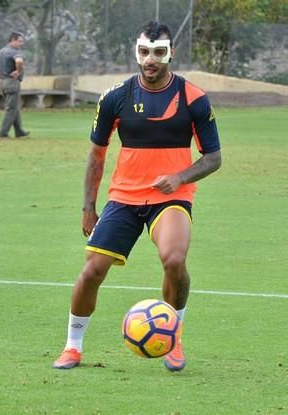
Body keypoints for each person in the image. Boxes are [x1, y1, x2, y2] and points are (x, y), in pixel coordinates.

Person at [53, 21, 221, 372]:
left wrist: (179, 177)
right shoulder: (115, 97)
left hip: (172, 198)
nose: (151, 60)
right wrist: (88, 206)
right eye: (144, 52)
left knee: (174, 261)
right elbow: (96, 155)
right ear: (136, 52)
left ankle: (172, 337)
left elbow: (213, 158)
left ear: (171, 53)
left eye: (159, 52)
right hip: (124, 199)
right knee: (91, 271)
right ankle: (73, 346)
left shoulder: (194, 98)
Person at [0, 31, 29, 138]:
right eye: (19, 41)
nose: (21, 44)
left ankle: (19, 131)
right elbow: (19, 62)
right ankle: (3, 133)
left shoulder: (1, 52)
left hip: (3, 82)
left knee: (14, 108)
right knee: (11, 109)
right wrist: (18, 71)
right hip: (12, 83)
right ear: (13, 40)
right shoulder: (14, 51)